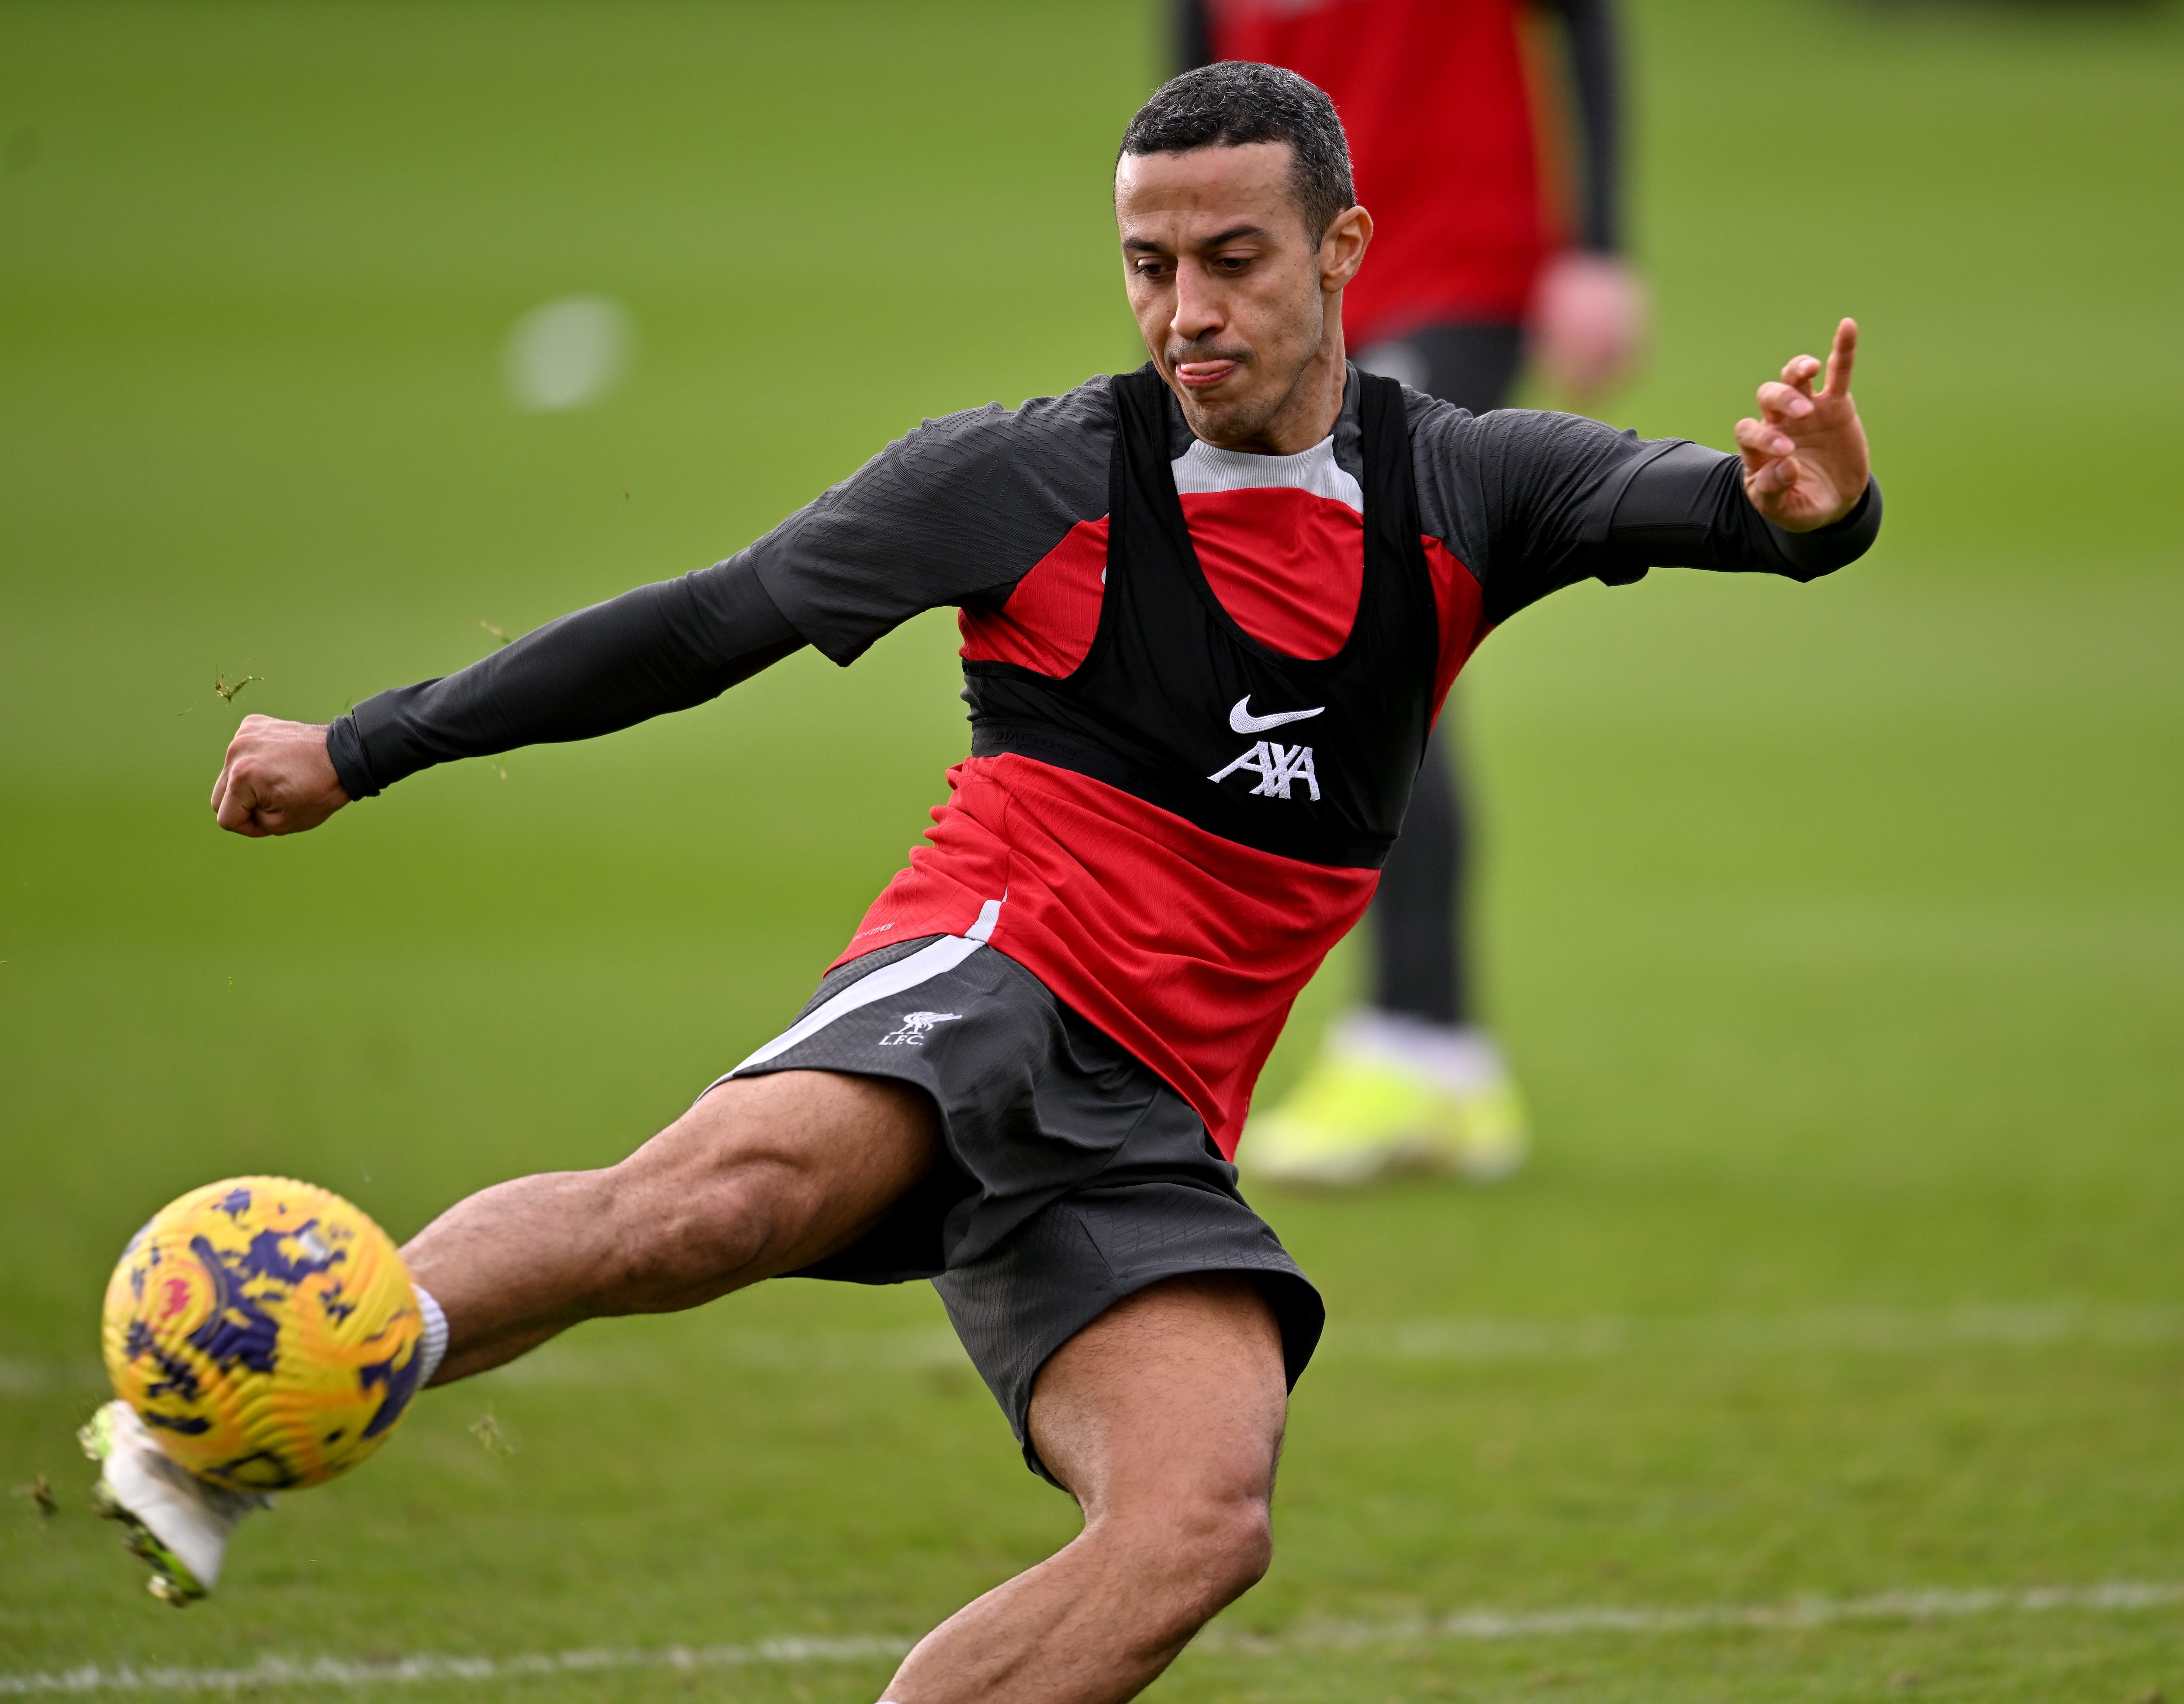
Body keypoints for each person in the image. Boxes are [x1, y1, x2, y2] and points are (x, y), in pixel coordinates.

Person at [99, 61, 1876, 1704]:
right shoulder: (1019, 475)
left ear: (1341, 247)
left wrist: (1812, 505)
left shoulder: (1467, 485)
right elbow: (706, 625)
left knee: (1196, 1525)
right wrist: (365, 744)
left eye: (1233, 259)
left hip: (1158, 1105)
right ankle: (204, 1435)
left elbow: (1735, 510)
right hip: (998, 963)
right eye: (1146, 263)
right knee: (714, 1210)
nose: (1187, 311)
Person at [1180, 0, 1647, 1186]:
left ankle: (1421, 1050)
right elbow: (1193, 97)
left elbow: (1584, 20)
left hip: (1454, 263)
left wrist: (1597, 243)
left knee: (1369, 634)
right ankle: (1423, 1059)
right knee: (1324, 639)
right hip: (1298, 299)